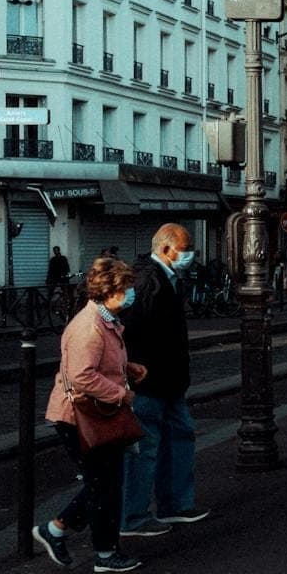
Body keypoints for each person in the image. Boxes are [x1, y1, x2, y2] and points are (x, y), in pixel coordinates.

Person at [33, 256, 148, 574]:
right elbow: (82, 375)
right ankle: (105, 554)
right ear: (109, 291)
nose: (130, 294)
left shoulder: (105, 320)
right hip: (79, 416)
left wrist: (127, 368)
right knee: (104, 486)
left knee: (105, 483)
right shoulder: (89, 327)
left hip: (92, 413)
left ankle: (56, 530)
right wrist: (120, 393)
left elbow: (99, 364)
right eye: (125, 288)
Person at [120, 224, 209, 536]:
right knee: (145, 448)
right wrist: (132, 369)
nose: (190, 256)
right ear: (168, 250)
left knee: (179, 438)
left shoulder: (166, 278)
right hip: (150, 380)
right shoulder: (148, 281)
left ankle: (175, 505)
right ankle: (133, 517)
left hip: (169, 380)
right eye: (187, 250)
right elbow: (129, 329)